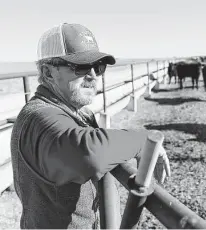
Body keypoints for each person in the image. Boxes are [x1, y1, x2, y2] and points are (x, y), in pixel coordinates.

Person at [10, 23, 171, 229]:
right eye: (81, 67)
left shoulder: (74, 112)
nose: (93, 75)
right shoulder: (39, 117)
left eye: (98, 67)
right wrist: (143, 141)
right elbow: (90, 154)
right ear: (48, 72)